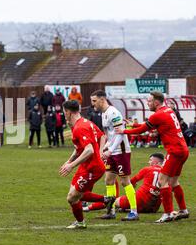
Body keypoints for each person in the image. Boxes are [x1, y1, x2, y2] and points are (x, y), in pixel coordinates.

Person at [116, 91, 189, 223]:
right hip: (183, 149)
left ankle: (167, 214)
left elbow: (143, 130)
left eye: (149, 101)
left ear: (156, 102)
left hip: (174, 151)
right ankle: (183, 210)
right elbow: (149, 126)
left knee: (162, 181)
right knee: (173, 182)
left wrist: (124, 131)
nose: (147, 103)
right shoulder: (168, 110)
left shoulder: (157, 114)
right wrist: (133, 124)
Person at [59, 100, 115, 229]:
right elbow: (101, 136)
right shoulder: (86, 122)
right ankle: (106, 200)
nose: (64, 114)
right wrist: (69, 161)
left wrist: (72, 165)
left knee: (72, 198)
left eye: (64, 112)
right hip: (86, 165)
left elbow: (88, 150)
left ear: (68, 112)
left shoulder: (80, 127)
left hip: (92, 168)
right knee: (76, 193)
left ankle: (80, 223)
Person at [90, 90, 138, 221]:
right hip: (111, 151)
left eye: (94, 101)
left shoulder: (114, 112)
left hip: (121, 151)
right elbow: (109, 135)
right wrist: (105, 147)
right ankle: (111, 211)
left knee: (124, 181)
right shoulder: (104, 113)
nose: (93, 104)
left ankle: (134, 211)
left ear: (102, 99)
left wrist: (110, 149)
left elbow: (121, 134)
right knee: (109, 180)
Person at [85, 153, 164, 214]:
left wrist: (132, 184)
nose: (148, 162)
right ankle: (127, 209)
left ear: (156, 162)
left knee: (113, 201)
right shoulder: (166, 173)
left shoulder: (147, 169)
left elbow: (132, 181)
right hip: (154, 207)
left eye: (150, 160)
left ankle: (88, 208)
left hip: (140, 200)